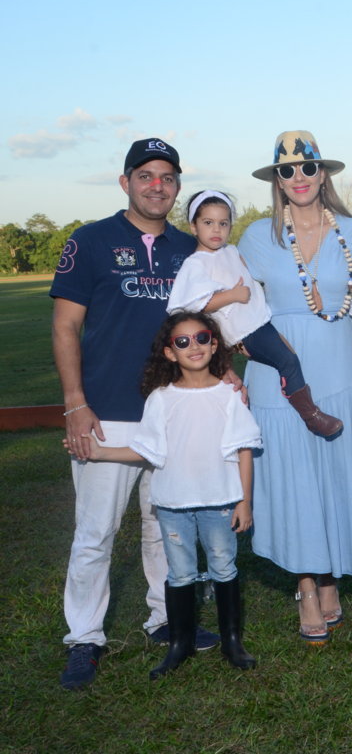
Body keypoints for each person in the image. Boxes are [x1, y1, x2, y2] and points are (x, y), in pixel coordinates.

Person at [51, 137, 220, 690]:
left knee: (163, 524)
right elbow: (65, 326)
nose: (157, 186)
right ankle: (84, 637)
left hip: (170, 409)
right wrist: (76, 404)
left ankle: (165, 617)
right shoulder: (91, 240)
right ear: (125, 181)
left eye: (167, 177)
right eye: (145, 175)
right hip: (105, 412)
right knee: (95, 532)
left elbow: (207, 326)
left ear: (176, 186)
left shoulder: (188, 248)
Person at [239, 131, 352, 644]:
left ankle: (330, 577)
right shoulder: (258, 238)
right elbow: (234, 307)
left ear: (323, 174)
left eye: (308, 169)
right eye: (287, 171)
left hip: (340, 370)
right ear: (276, 181)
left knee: (334, 478)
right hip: (277, 379)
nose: (299, 179)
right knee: (293, 481)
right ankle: (306, 587)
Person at [64, 311, 263, 678]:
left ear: (215, 343)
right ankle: (179, 643)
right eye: (182, 342)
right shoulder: (160, 399)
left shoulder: (229, 395)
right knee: (181, 573)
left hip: (220, 502)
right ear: (170, 353)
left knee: (223, 567)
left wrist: (244, 501)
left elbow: (244, 450)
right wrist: (100, 452)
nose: (194, 346)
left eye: (202, 338)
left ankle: (232, 642)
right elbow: (146, 450)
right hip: (173, 506)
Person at [168, 190, 342, 437]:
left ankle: (292, 408)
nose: (216, 230)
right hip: (241, 330)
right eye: (208, 223)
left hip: (257, 321)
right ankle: (311, 416)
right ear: (193, 227)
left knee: (288, 356)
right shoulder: (196, 264)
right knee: (287, 360)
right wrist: (232, 296)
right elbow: (191, 305)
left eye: (223, 223)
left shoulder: (229, 252)